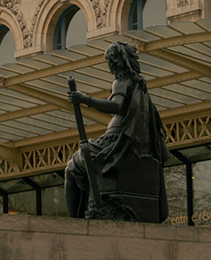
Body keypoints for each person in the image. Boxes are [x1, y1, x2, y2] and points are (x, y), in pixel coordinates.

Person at [65, 41, 169, 220]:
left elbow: (116, 106)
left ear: (118, 61)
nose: (110, 66)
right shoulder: (140, 86)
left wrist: (84, 99)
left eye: (111, 61)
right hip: (125, 140)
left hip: (115, 141)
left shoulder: (121, 82)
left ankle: (75, 223)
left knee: (71, 167)